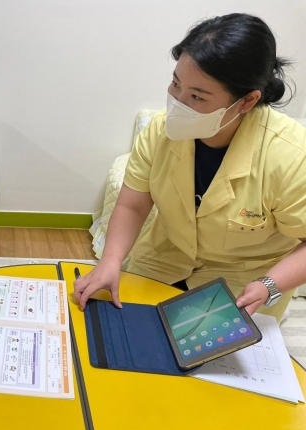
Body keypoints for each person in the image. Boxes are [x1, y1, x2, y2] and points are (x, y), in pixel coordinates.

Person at [74, 13, 306, 322]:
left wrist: (269, 286)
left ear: (247, 101)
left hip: (242, 281)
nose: (178, 104)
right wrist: (110, 261)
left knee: (200, 350)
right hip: (163, 258)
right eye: (175, 84)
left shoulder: (291, 156)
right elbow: (132, 205)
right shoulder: (161, 131)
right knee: (111, 326)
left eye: (197, 96)